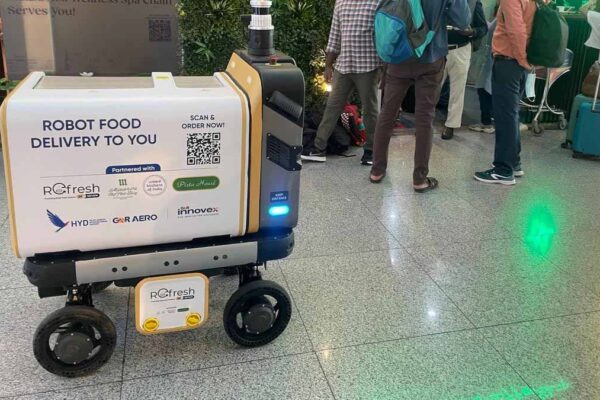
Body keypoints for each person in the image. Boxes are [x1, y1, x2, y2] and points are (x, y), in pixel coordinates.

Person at [369, 0, 471, 192]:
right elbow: (463, 20)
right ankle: (419, 179)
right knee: (425, 118)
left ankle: (377, 170)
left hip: (398, 58)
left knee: (387, 113)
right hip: (430, 58)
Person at [301, 0, 382, 165]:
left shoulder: (377, 2)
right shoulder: (341, 2)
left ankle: (371, 151)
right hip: (343, 66)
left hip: (368, 66)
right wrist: (328, 66)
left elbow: (383, 36)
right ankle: (318, 148)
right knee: (332, 107)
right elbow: (334, 36)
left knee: (370, 110)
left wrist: (385, 67)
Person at [474, 0, 537, 185]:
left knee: (504, 117)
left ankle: (503, 170)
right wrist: (525, 61)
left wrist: (521, 58)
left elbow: (516, 30)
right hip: (519, 63)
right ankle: (514, 163)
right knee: (511, 115)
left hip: (509, 61)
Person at [441, 0, 489, 140]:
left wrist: (472, 32)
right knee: (431, 88)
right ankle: (425, 123)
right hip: (439, 49)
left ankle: (451, 125)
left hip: (461, 49)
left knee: (458, 90)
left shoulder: (473, 2)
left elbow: (483, 27)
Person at [470, 9, 498, 135]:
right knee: (484, 89)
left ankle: (487, 123)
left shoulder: (508, 9)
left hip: (495, 59)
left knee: (485, 91)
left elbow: (491, 29)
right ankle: (487, 122)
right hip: (493, 59)